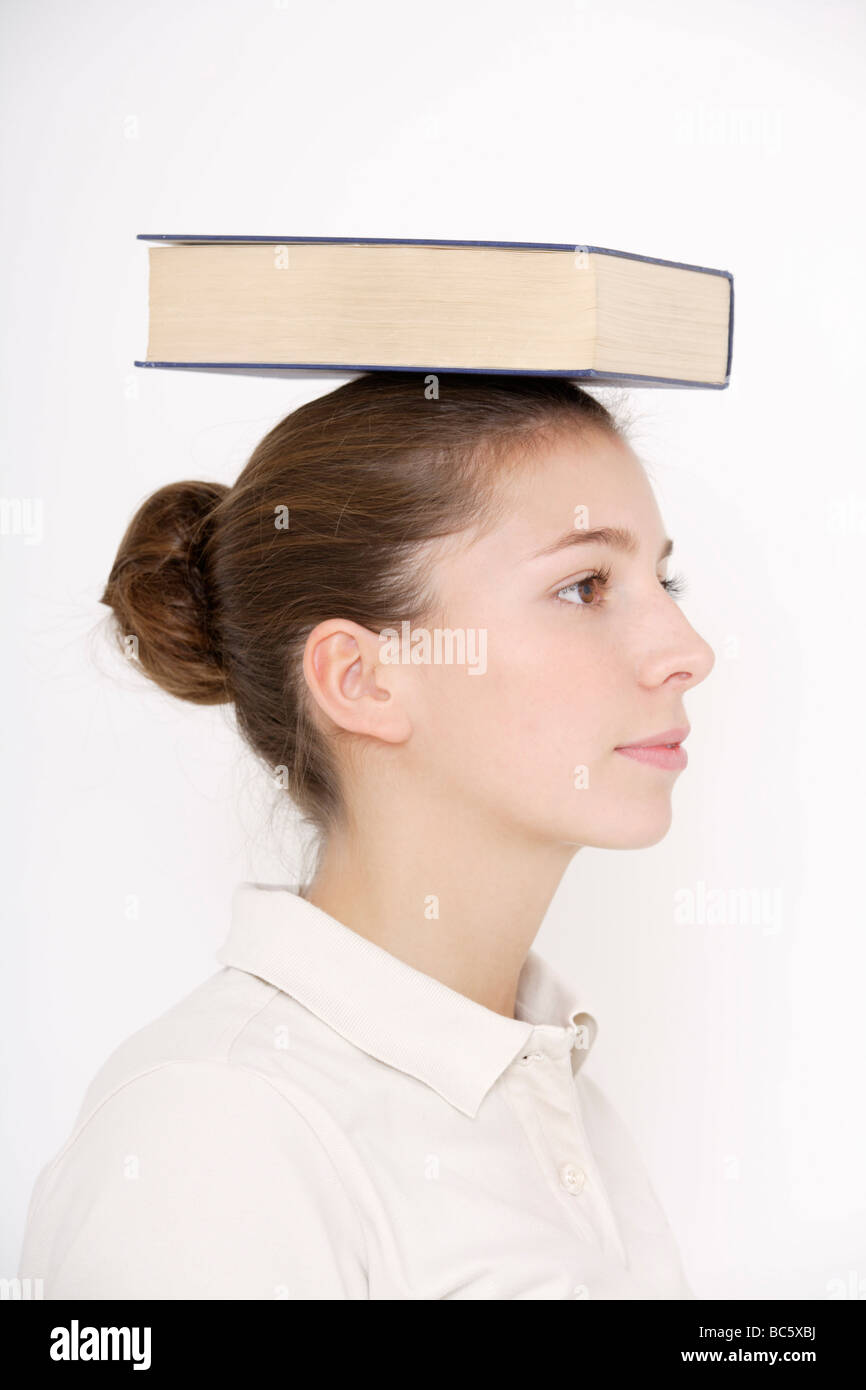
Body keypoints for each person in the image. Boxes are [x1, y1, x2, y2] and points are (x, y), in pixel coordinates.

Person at [18, 371, 714, 1299]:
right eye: (585, 585)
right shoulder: (217, 1132)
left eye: (661, 578)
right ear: (361, 679)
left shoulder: (551, 1090)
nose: (688, 649)